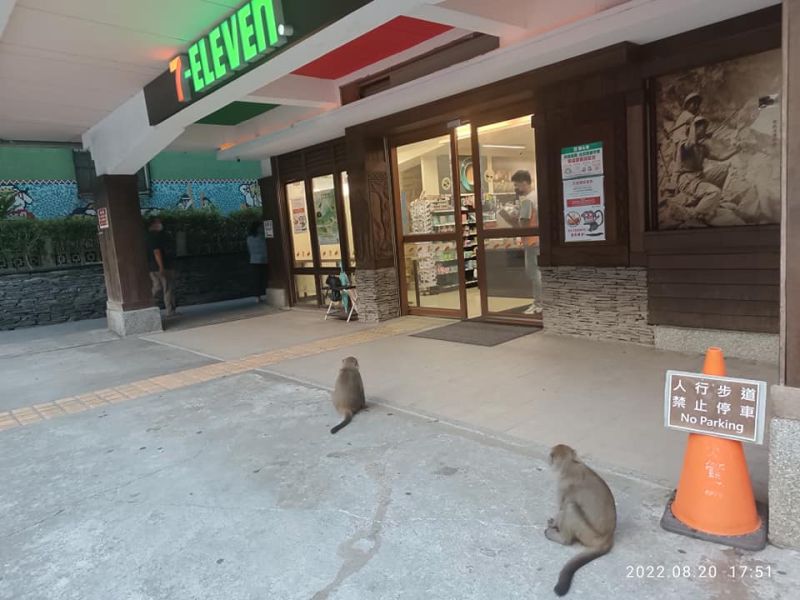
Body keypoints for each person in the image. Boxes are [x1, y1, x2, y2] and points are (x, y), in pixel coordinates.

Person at [674, 116, 741, 222]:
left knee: (723, 169)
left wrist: (737, 149)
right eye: (702, 127)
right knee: (715, 192)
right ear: (694, 129)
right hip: (687, 180)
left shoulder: (702, 147)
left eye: (705, 127)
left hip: (699, 178)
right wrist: (692, 124)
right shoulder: (684, 145)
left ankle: (708, 200)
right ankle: (695, 216)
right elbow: (691, 143)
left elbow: (720, 157)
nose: (705, 129)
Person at [500, 170, 542, 315]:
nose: (516, 189)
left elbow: (523, 224)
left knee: (533, 272)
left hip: (531, 241)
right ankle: (540, 302)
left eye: (517, 185)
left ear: (524, 183)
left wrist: (508, 218)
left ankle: (538, 303)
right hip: (539, 239)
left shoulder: (527, 200)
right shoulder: (538, 195)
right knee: (539, 272)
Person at [146, 216, 176, 316]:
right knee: (167, 288)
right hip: (162, 266)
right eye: (158, 222)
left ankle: (148, 304)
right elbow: (157, 252)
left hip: (151, 267)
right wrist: (161, 267)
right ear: (153, 224)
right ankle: (170, 311)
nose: (160, 224)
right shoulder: (157, 236)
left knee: (157, 287)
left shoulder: (145, 236)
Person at [246, 221, 268, 303]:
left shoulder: (249, 238)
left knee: (257, 279)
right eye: (261, 227)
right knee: (264, 277)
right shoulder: (263, 237)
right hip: (264, 259)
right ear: (257, 228)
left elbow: (249, 249)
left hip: (254, 260)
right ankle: (262, 294)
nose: (262, 228)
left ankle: (257, 296)